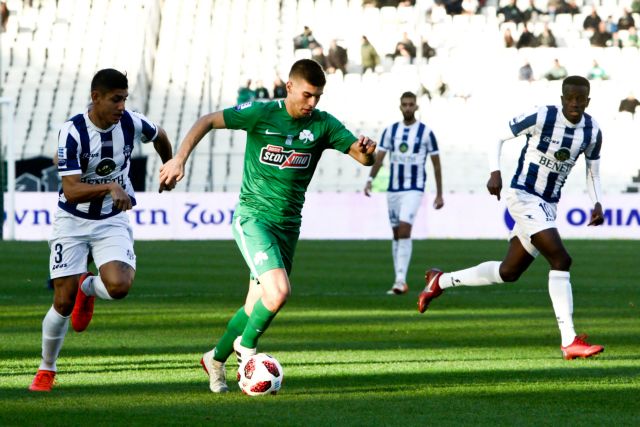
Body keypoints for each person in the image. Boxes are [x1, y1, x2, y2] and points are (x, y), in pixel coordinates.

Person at [158, 59, 377, 393]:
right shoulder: (260, 113)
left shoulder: (323, 124)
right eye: (307, 95)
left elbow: (361, 157)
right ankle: (246, 352)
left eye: (318, 96)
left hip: (287, 227)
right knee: (279, 293)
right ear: (289, 87)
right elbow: (208, 120)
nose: (312, 102)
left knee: (254, 307)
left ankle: (214, 359)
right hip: (253, 218)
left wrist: (367, 153)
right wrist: (179, 159)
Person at [417, 76, 605, 361]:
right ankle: (569, 341)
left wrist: (597, 202)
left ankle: (440, 281)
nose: (575, 103)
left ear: (588, 101)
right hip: (523, 195)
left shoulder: (592, 131)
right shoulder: (542, 116)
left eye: (581, 99)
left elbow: (593, 172)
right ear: (562, 98)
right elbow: (498, 135)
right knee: (561, 260)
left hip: (548, 204)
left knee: (509, 272)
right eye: (570, 98)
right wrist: (495, 172)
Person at [28, 69, 175, 392]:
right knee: (63, 302)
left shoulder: (131, 122)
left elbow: (160, 135)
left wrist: (170, 166)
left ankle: (88, 287)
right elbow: (71, 190)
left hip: (111, 218)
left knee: (119, 286)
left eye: (124, 99)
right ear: (96, 98)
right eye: (115, 99)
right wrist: (110, 186)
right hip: (72, 220)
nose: (122, 106)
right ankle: (47, 368)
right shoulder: (73, 132)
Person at [364, 92, 443, 295]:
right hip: (393, 189)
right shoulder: (390, 131)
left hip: (414, 188)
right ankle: (398, 278)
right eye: (405, 104)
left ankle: (400, 281)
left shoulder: (426, 133)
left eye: (411, 104)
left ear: (416, 107)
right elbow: (380, 158)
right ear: (400, 107)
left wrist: (439, 193)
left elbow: (436, 164)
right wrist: (370, 180)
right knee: (396, 233)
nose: (408, 107)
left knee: (405, 230)